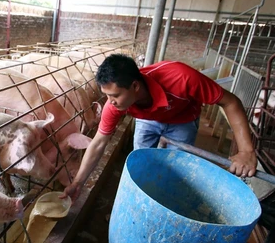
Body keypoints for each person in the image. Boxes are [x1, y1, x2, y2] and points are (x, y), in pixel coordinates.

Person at [60, 54, 258, 201]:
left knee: (174, 169)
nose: (110, 102)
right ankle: (138, 202)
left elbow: (231, 102)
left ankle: (164, 202)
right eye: (107, 95)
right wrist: (77, 182)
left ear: (135, 87)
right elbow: (98, 143)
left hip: (182, 119)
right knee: (139, 162)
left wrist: (246, 151)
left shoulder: (182, 78)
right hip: (147, 118)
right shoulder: (115, 105)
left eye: (115, 95)